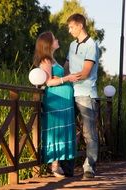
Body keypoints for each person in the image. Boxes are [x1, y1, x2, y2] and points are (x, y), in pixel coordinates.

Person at [33, 31, 79, 177]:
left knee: (62, 129)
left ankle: (58, 164)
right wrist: (67, 79)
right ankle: (54, 166)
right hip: (56, 100)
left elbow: (53, 78)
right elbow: (47, 82)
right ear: (48, 44)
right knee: (56, 129)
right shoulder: (46, 60)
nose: (57, 40)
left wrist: (63, 77)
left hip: (63, 101)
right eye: (54, 39)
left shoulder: (52, 59)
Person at [65, 13, 99, 179]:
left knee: (89, 133)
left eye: (71, 27)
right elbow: (66, 66)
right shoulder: (72, 45)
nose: (70, 30)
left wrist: (68, 78)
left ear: (80, 26)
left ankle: (89, 167)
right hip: (70, 93)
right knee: (69, 130)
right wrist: (61, 80)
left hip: (86, 94)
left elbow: (85, 72)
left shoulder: (92, 45)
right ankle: (68, 168)